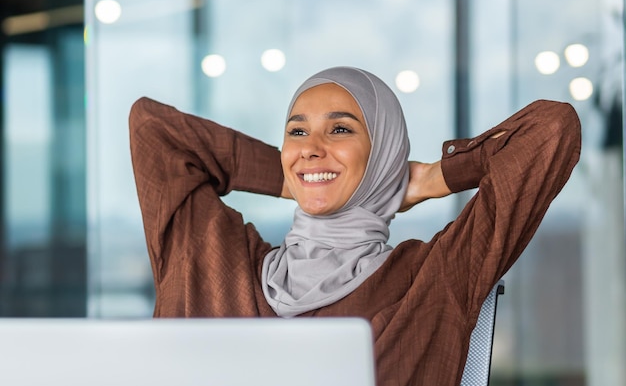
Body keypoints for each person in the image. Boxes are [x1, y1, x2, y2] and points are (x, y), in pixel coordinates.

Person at [129, 66, 581, 386]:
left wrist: (429, 178)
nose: (311, 147)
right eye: (298, 132)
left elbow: (552, 129)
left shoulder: (432, 279)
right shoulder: (212, 260)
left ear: (381, 155)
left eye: (340, 130)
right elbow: (153, 130)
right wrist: (297, 179)